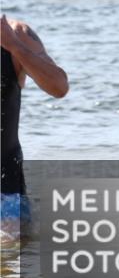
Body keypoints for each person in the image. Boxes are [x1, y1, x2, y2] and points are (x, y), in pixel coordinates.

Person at [1, 15, 69, 230]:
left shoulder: (16, 34)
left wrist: (15, 47)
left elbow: (59, 87)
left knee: (10, 256)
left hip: (6, 193)